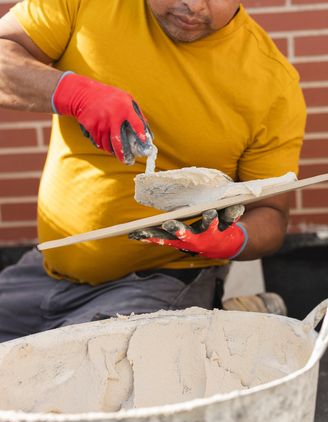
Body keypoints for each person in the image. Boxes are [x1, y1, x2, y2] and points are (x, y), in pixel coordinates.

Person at [0, 0, 306, 342]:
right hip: (47, 270)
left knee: (73, 378)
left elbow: (270, 214)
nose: (191, 4)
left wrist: (235, 239)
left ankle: (220, 316)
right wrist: (72, 93)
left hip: (162, 279)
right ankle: (228, 316)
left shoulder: (271, 83)